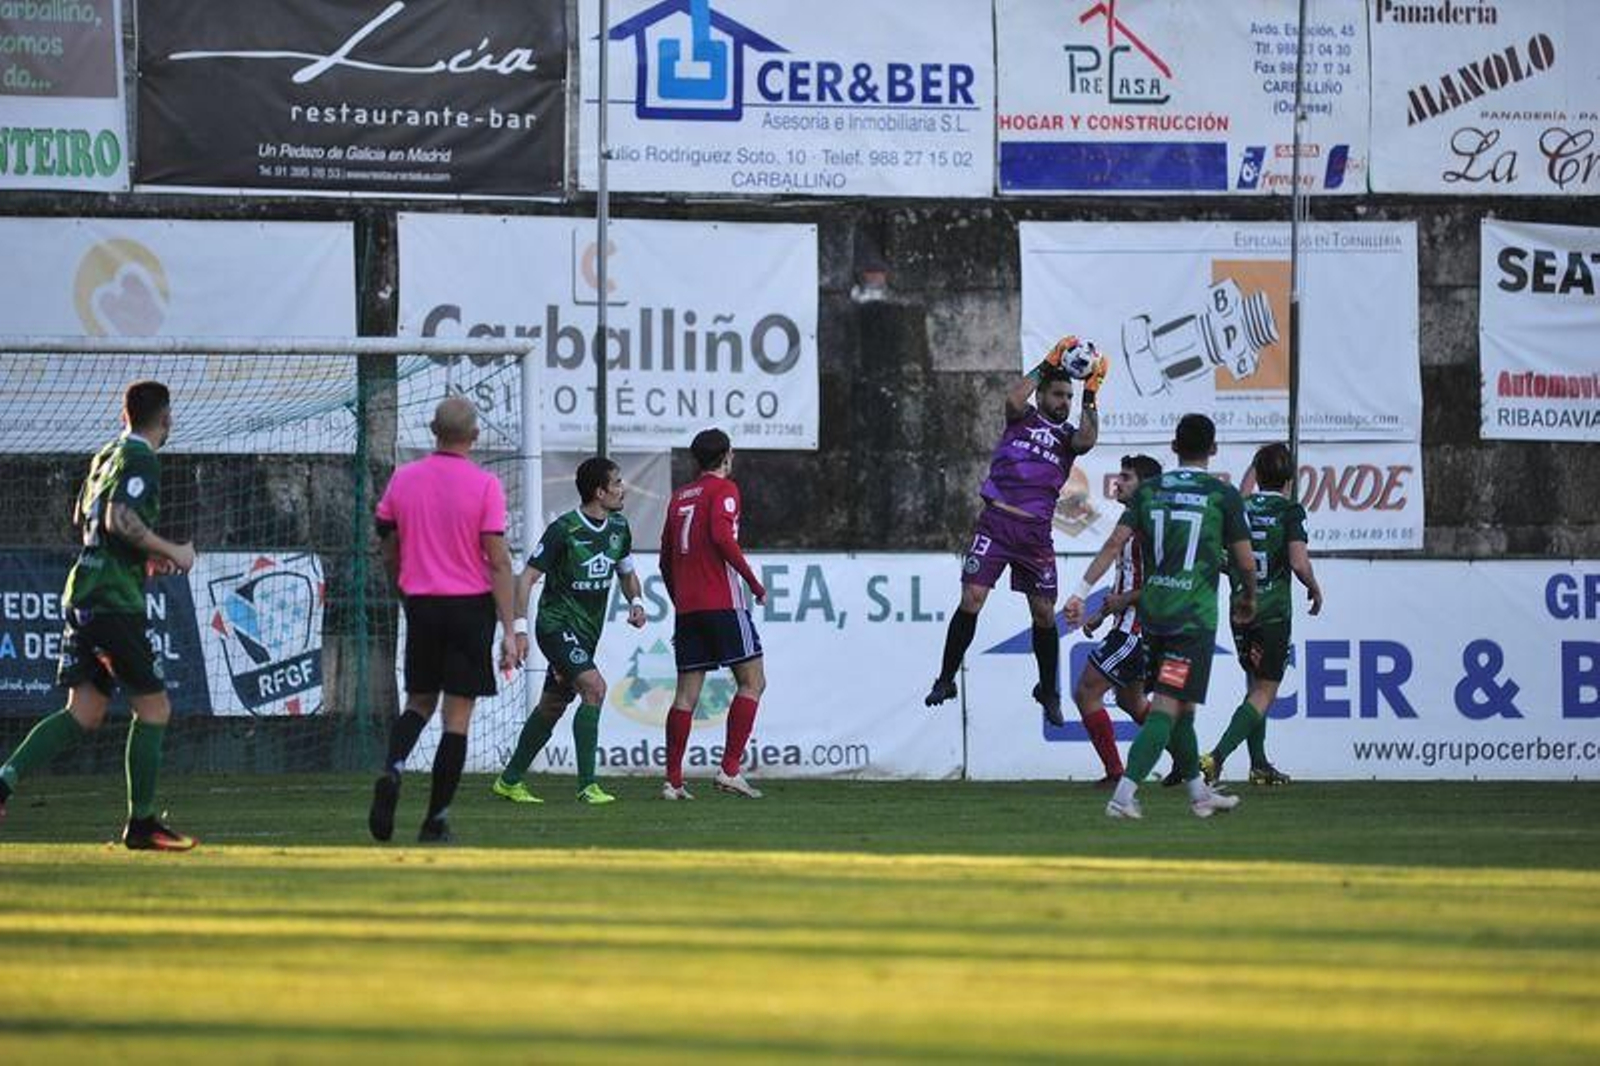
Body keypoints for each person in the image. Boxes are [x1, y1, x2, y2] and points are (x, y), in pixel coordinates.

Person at [0, 381, 198, 850]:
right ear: (165, 419)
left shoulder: (106, 453)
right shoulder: (142, 458)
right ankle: (143, 823)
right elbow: (117, 519)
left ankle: (3, 781)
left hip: (83, 592)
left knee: (83, 712)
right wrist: (172, 550)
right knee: (154, 709)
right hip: (112, 601)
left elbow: (84, 519)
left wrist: (140, 556)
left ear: (123, 415)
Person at [925, 336, 1105, 725]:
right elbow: (1011, 399)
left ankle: (1048, 690)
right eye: (1058, 394)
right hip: (997, 523)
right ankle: (945, 679)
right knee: (972, 598)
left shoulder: (1066, 437)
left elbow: (1088, 439)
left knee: (1043, 614)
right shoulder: (1022, 418)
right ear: (1041, 395)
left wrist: (1091, 393)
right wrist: (1047, 362)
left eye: (1069, 397)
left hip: (1035, 534)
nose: (1064, 403)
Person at [1088, 414, 1256, 820]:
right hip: (1191, 620)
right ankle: (1123, 796)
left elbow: (1115, 542)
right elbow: (1245, 560)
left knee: (1183, 711)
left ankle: (1199, 795)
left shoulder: (1151, 491)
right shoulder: (1222, 495)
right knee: (1166, 706)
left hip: (1155, 616)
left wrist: (1081, 591)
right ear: (1213, 450)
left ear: (1174, 446)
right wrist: (1248, 595)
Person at [368, 397, 518, 844]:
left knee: (417, 702)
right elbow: (496, 559)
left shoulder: (404, 479)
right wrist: (509, 629)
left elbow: (388, 542)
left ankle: (393, 769)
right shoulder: (485, 485)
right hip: (469, 607)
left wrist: (402, 586)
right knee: (457, 718)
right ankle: (435, 820)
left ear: (434, 431)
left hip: (422, 603)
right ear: (473, 437)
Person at [492, 457, 646, 806]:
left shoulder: (619, 527)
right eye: (617, 483)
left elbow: (625, 572)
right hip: (555, 625)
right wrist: (520, 630)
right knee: (595, 688)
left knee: (553, 704)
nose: (624, 489)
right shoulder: (564, 529)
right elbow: (527, 578)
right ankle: (588, 786)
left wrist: (636, 601)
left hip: (586, 632)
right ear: (599, 491)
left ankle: (509, 780)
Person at [1202, 442, 1324, 786]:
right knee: (1264, 691)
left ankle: (1258, 764)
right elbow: (1299, 562)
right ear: (1290, 477)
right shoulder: (1290, 511)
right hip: (1272, 613)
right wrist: (1313, 587)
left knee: (1254, 685)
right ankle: (1217, 757)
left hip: (1241, 609)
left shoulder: (1239, 507)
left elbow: (1221, 557)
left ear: (1256, 475)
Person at [659, 429, 768, 800]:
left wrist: (680, 605)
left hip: (688, 608)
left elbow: (665, 560)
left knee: (685, 695)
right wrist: (753, 583)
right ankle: (730, 770)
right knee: (753, 681)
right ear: (727, 455)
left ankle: (673, 782)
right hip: (723, 602)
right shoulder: (725, 490)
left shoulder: (678, 498)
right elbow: (723, 539)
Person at [1061, 454, 1164, 786]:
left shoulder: (1152, 526)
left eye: (1127, 477)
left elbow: (1163, 582)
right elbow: (1127, 582)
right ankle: (1192, 764)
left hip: (1136, 628)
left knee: (1086, 690)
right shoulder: (1131, 521)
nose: (1118, 482)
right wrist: (1100, 614)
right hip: (1126, 622)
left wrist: (1119, 602)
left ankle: (1115, 772)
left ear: (1146, 486)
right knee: (1131, 701)